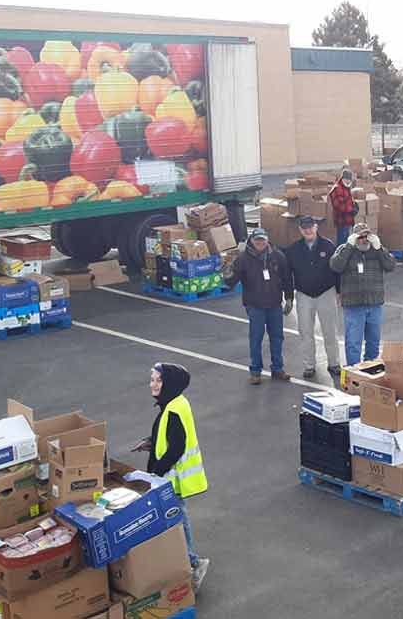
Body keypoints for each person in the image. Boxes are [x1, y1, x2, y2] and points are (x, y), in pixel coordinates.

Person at [135, 363, 209, 592]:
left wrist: (155, 472)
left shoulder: (174, 409)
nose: (153, 384)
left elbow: (177, 447)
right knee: (175, 519)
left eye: (158, 380)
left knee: (177, 520)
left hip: (171, 478)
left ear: (170, 384)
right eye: (152, 379)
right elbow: (167, 435)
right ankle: (186, 561)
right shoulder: (174, 403)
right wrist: (151, 441)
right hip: (169, 477)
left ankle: (193, 563)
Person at [224, 228, 292, 385]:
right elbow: (231, 282)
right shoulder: (243, 259)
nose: (260, 243)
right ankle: (255, 371)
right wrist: (227, 273)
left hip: (275, 305)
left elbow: (287, 278)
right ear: (251, 241)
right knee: (256, 339)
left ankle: (277, 369)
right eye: (257, 240)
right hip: (255, 307)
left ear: (267, 240)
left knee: (277, 338)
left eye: (263, 239)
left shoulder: (277, 256)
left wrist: (289, 298)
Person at [330, 222, 395, 366]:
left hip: (374, 304)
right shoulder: (345, 249)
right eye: (359, 237)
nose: (363, 240)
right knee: (353, 342)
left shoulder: (377, 250)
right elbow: (335, 266)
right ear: (353, 237)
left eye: (366, 236)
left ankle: (370, 369)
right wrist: (348, 246)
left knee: (373, 341)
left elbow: (390, 265)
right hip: (353, 306)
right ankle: (354, 372)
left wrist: (379, 248)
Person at [284, 216, 341, 380]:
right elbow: (288, 275)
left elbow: (336, 270)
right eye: (304, 228)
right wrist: (289, 297)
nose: (308, 230)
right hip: (303, 295)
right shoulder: (293, 250)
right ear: (300, 230)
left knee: (330, 330)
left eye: (310, 227)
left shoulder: (328, 246)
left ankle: (334, 363)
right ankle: (309, 365)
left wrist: (339, 291)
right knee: (305, 332)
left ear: (316, 227)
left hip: (326, 293)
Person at [328, 168, 357, 246]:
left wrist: (354, 206)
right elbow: (338, 205)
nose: (348, 181)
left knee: (346, 240)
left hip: (347, 220)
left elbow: (347, 201)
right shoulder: (337, 188)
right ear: (343, 178)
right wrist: (351, 210)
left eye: (349, 180)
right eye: (346, 179)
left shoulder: (346, 187)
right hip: (341, 220)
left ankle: (345, 256)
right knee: (342, 242)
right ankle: (340, 256)